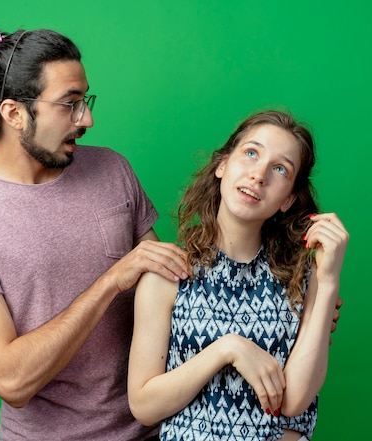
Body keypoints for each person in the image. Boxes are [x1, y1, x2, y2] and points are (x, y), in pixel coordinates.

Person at [0, 28, 191, 441]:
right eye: (69, 104)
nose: (86, 119)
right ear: (14, 113)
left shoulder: (112, 170)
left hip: (154, 433)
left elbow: (175, 287)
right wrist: (109, 282)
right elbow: (10, 380)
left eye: (85, 101)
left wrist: (288, 301)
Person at [127, 110, 349, 441]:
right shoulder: (168, 273)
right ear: (222, 165)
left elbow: (294, 401)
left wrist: (329, 281)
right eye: (250, 153)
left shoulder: (305, 275)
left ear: (288, 199)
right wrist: (226, 349)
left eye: (280, 169)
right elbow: (144, 405)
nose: (259, 175)